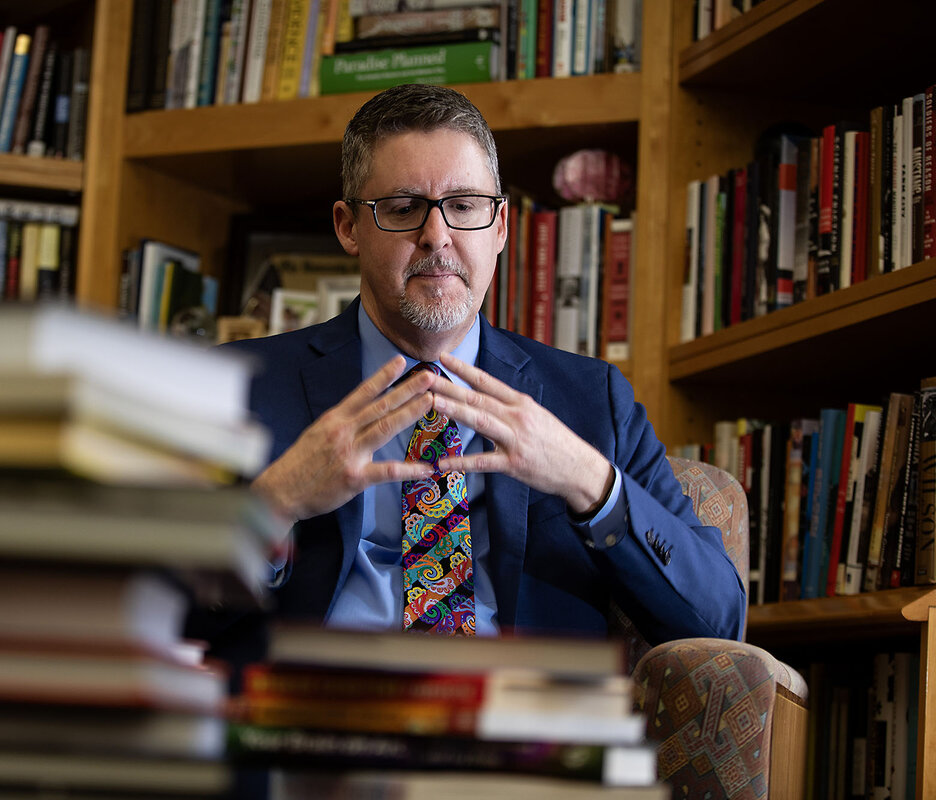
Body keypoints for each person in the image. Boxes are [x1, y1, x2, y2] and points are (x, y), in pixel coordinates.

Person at [219, 83, 745, 647]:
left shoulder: (593, 400)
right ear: (349, 227)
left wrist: (585, 478)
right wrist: (275, 503)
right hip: (309, 695)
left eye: (464, 206)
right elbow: (159, 612)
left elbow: (718, 620)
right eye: (403, 209)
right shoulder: (237, 387)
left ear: (500, 226)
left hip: (518, 698)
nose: (436, 237)